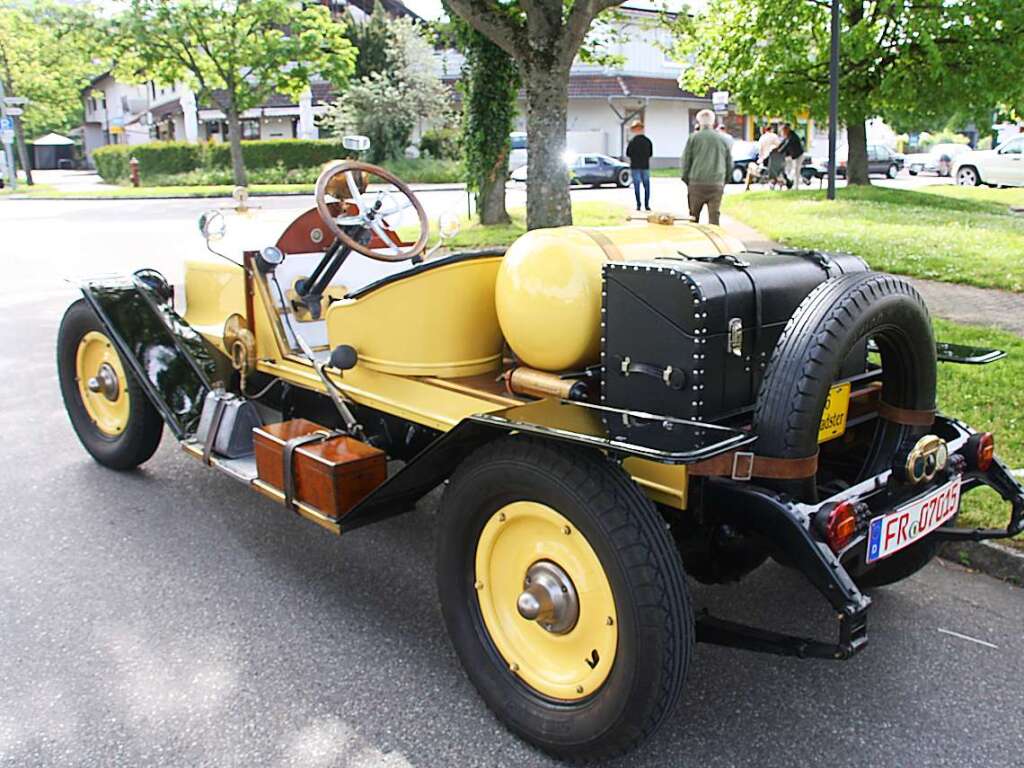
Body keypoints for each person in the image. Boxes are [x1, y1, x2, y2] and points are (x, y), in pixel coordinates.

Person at [680, 109, 731, 225]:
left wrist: (686, 178)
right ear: (713, 122)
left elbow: (686, 160)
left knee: (693, 217)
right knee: (714, 217)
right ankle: (715, 240)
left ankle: (694, 240)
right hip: (716, 183)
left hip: (696, 182)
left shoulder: (693, 138)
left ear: (699, 122)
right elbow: (729, 162)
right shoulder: (722, 139)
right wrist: (725, 180)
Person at [625, 120, 653, 211]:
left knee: (637, 186)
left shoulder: (632, 142)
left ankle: (638, 205)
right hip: (645, 166)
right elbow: (650, 154)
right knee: (646, 186)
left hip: (635, 166)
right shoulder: (648, 141)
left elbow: (628, 154)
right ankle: (647, 205)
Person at [746, 123, 781, 190]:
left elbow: (760, 152)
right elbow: (780, 147)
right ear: (772, 129)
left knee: (750, 166)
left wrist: (760, 159)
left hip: (764, 167)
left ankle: (747, 187)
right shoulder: (775, 137)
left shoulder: (762, 138)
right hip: (775, 167)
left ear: (765, 130)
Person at [778, 123, 805, 190]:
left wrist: (779, 151)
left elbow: (786, 145)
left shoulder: (792, 136)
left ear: (787, 130)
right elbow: (782, 143)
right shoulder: (787, 136)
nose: (782, 132)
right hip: (794, 156)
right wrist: (776, 149)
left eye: (783, 131)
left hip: (798, 155)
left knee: (796, 170)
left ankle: (796, 186)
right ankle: (793, 183)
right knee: (792, 169)